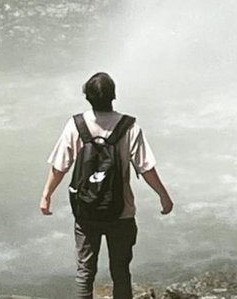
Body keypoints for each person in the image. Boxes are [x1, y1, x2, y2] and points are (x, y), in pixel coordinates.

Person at [39, 72, 174, 299]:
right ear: (113, 96)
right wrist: (163, 195)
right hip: (121, 212)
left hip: (86, 211)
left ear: (87, 97)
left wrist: (46, 195)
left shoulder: (76, 125)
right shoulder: (129, 126)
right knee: (120, 271)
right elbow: (146, 168)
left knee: (85, 272)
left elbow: (60, 166)